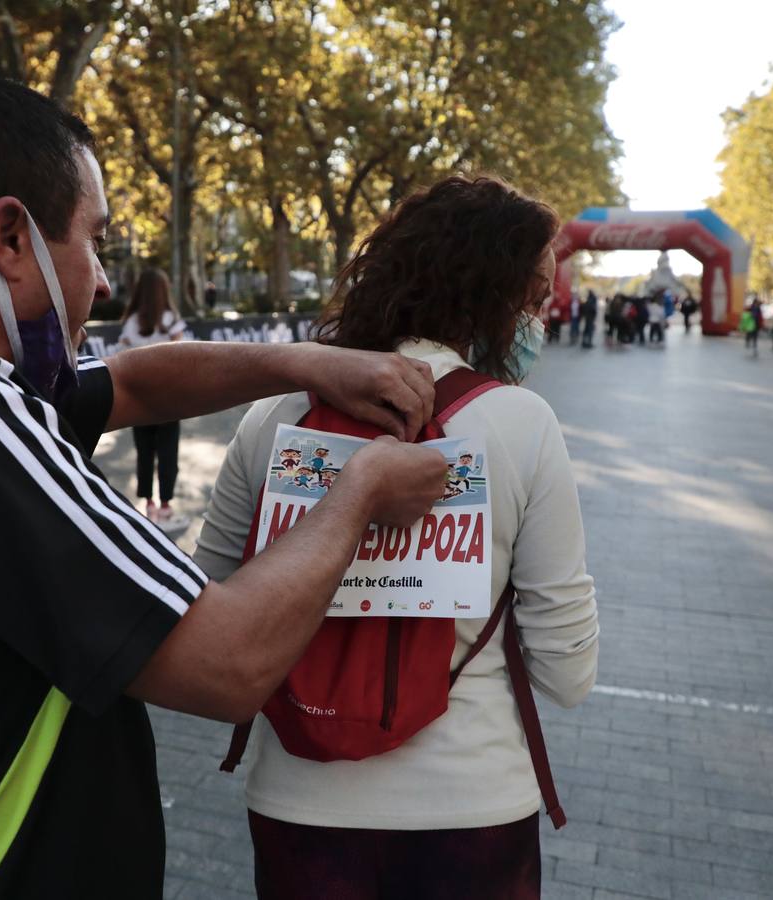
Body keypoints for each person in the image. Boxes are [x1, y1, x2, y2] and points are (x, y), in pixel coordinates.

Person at [0, 70, 450, 898]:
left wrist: (308, 362)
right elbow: (228, 662)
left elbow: (134, 383)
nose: (99, 281)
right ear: (11, 238)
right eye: (93, 240)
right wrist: (363, 488)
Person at [195, 174, 599, 898]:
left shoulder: (274, 417)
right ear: (491, 293)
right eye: (534, 295)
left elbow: (209, 602)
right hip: (473, 805)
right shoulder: (521, 422)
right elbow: (567, 670)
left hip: (297, 801)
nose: (540, 313)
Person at [119, 268, 190, 532]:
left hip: (139, 399)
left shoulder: (130, 323)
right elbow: (181, 357)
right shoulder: (171, 321)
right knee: (168, 452)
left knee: (144, 452)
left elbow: (124, 358)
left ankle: (148, 504)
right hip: (169, 399)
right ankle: (166, 506)